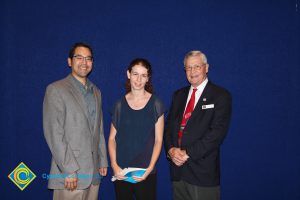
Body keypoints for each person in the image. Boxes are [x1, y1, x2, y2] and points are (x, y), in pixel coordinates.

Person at [43, 42, 108, 200]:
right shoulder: (56, 89)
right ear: (70, 61)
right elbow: (54, 133)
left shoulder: (96, 92)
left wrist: (103, 160)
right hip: (70, 175)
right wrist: (69, 170)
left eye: (88, 58)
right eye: (79, 57)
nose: (84, 62)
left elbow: (98, 129)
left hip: (93, 174)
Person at [164, 50, 232, 200]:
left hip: (202, 173)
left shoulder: (220, 96)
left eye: (197, 67)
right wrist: (171, 150)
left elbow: (216, 134)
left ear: (206, 67)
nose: (192, 71)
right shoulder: (178, 95)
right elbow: (168, 127)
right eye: (188, 68)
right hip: (178, 172)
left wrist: (187, 153)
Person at [108, 58, 164, 200]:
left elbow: (158, 139)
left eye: (143, 75)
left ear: (148, 78)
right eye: (135, 74)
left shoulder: (156, 104)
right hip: (122, 172)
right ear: (128, 74)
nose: (138, 80)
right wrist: (115, 166)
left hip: (145, 172)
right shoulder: (119, 105)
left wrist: (150, 168)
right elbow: (111, 139)